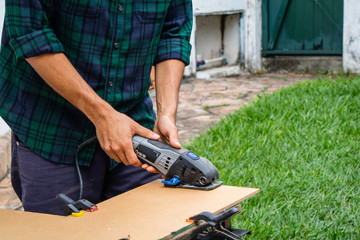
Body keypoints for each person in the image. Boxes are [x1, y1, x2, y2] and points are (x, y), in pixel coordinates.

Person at [0, 0, 192, 215]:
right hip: (50, 124)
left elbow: (173, 33)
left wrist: (166, 113)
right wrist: (104, 117)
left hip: (132, 120)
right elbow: (30, 33)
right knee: (59, 231)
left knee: (149, 223)